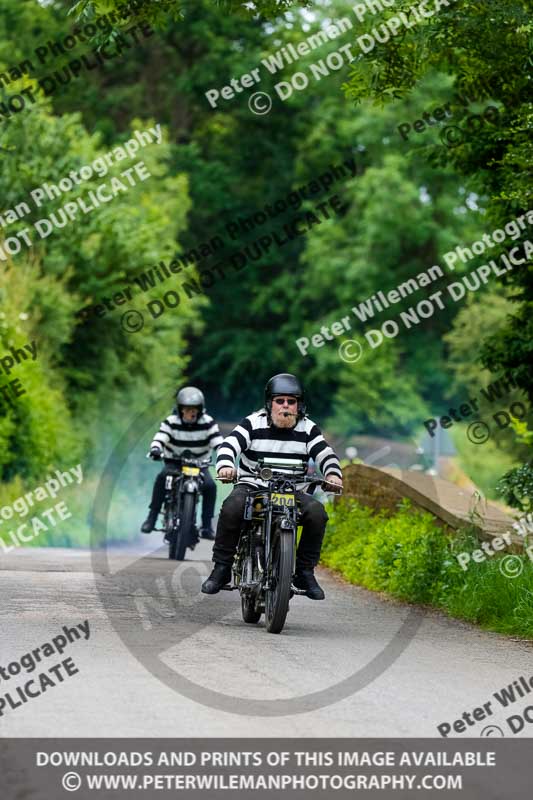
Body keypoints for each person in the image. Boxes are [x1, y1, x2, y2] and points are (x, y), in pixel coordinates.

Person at [201, 373, 343, 599]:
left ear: (299, 405)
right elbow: (229, 445)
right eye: (280, 401)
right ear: (269, 403)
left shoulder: (308, 428)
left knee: (317, 513)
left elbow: (325, 454)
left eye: (291, 401)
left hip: (292, 490)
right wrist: (226, 466)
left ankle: (304, 572)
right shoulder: (253, 422)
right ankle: (222, 568)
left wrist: (333, 475)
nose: (285, 406)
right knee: (232, 507)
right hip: (253, 487)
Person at [141, 386, 223, 538]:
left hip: (199, 465)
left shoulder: (208, 422)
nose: (190, 412)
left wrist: (224, 453)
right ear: (179, 409)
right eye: (186, 408)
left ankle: (206, 526)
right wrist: (156, 449)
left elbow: (218, 442)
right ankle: (151, 518)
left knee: (210, 486)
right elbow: (160, 437)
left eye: (194, 409)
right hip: (175, 463)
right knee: (162, 477)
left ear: (200, 409)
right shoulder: (171, 422)